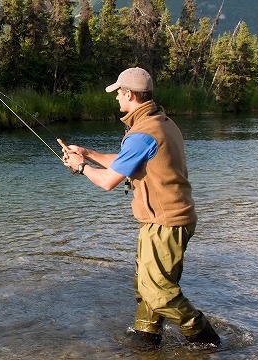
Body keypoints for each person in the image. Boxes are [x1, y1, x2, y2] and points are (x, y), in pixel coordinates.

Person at [61, 67, 221, 349]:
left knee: (157, 290)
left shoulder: (144, 133)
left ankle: (205, 338)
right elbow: (126, 161)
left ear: (130, 94)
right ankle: (146, 339)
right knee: (146, 285)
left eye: (119, 93)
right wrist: (88, 153)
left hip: (166, 222)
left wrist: (81, 166)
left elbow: (108, 181)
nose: (116, 99)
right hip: (164, 219)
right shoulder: (160, 122)